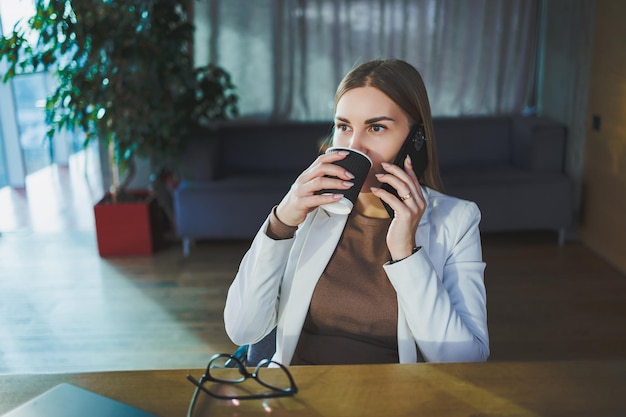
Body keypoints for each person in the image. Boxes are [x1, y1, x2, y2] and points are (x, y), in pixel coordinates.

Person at [224, 59, 489, 365]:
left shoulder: (457, 221)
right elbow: (243, 329)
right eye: (344, 127)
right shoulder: (307, 209)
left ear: (417, 140)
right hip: (296, 393)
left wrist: (406, 253)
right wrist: (281, 222)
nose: (355, 146)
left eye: (376, 127)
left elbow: (465, 361)